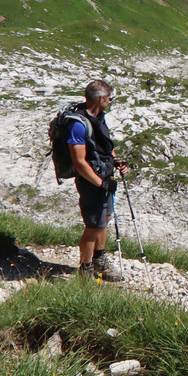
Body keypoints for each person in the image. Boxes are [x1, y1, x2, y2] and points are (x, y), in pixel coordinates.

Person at [68, 79, 130, 281]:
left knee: (105, 220)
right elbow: (79, 162)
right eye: (109, 98)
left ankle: (99, 259)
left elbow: (103, 148)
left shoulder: (99, 118)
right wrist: (101, 183)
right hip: (92, 181)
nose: (110, 101)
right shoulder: (78, 125)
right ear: (102, 98)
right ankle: (85, 269)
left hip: (104, 178)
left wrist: (116, 161)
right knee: (94, 225)